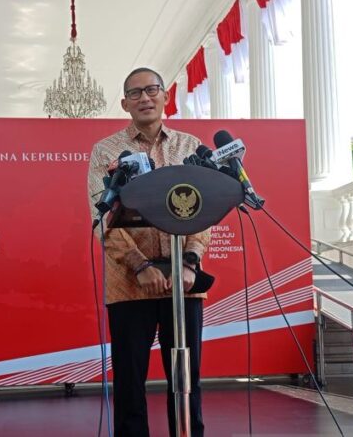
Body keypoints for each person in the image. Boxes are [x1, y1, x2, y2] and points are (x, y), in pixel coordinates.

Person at [87, 67, 211, 437]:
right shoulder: (106, 151)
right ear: (124, 103)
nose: (145, 98)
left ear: (165, 96)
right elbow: (101, 218)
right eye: (135, 93)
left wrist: (190, 262)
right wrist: (140, 265)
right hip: (129, 283)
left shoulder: (190, 147)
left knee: (186, 381)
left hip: (183, 283)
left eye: (152, 89)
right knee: (129, 383)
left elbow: (204, 210)